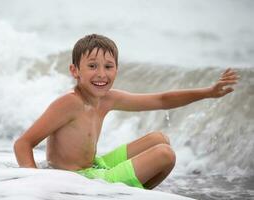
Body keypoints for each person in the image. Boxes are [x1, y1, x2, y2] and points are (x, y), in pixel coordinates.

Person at [14, 33, 238, 189]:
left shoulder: (107, 99)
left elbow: (161, 100)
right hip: (76, 179)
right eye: (92, 66)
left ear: (117, 70)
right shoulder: (69, 103)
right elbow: (23, 144)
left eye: (108, 67)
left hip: (94, 167)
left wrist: (208, 91)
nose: (101, 74)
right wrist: (37, 187)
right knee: (164, 154)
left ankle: (124, 194)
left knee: (160, 139)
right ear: (75, 71)